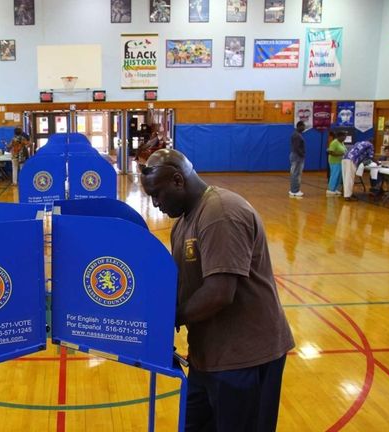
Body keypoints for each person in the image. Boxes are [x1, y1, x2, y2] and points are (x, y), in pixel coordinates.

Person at [140, 149, 294, 431]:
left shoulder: (220, 213)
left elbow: (219, 292)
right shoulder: (185, 222)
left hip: (245, 359)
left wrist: (167, 320)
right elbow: (182, 285)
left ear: (178, 180)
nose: (154, 204)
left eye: (157, 195)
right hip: (208, 357)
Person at [289, 121, 306, 198]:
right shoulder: (297, 135)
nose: (304, 128)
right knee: (296, 173)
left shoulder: (297, 135)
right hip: (297, 156)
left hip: (296, 156)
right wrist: (302, 155)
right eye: (303, 126)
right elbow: (297, 148)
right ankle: (295, 191)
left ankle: (293, 190)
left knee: (295, 173)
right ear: (299, 126)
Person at [326, 131, 346, 196]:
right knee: (334, 175)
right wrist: (339, 154)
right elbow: (330, 152)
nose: (344, 138)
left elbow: (344, 150)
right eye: (343, 136)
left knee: (339, 176)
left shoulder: (342, 143)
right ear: (339, 136)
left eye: (345, 136)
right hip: (334, 162)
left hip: (340, 162)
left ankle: (336, 189)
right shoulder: (334, 142)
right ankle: (330, 189)